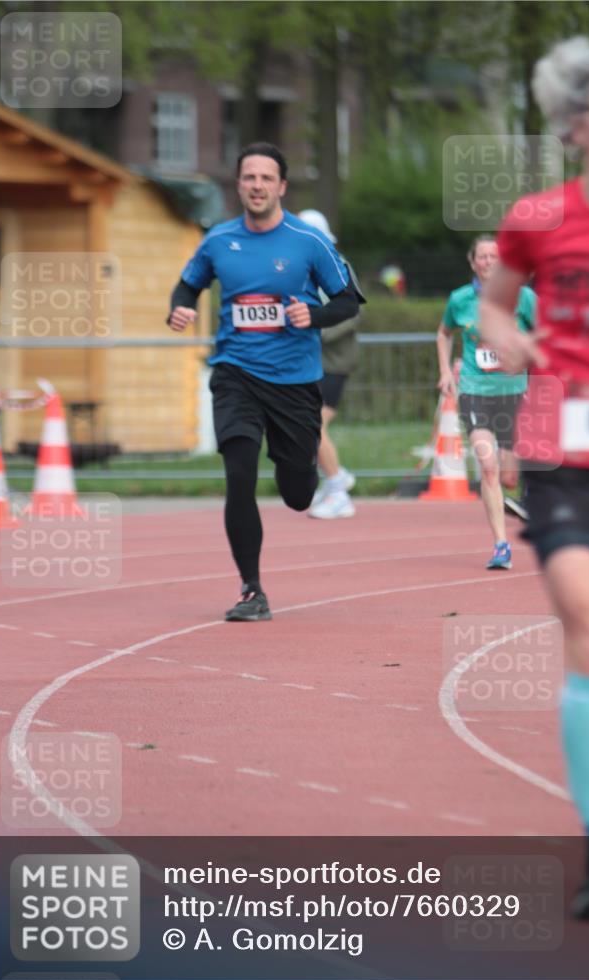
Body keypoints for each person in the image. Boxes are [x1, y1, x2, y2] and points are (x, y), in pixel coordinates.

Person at [480, 37, 589, 919]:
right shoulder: (537, 217)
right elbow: (495, 303)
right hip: (566, 459)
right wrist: (505, 338)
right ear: (576, 125)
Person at [167, 142, 360, 621]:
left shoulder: (308, 240)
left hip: (294, 381)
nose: (257, 186)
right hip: (235, 373)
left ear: (282, 187)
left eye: (266, 178)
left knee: (298, 494)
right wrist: (181, 306)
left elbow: (347, 300)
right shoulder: (218, 240)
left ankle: (297, 466)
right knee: (239, 476)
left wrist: (313, 315)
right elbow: (189, 284)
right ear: (238, 185)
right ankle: (251, 590)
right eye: (249, 178)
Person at [436, 237, 536, 568]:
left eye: (495, 256)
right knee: (487, 465)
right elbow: (444, 333)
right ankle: (501, 545)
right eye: (482, 256)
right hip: (475, 391)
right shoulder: (460, 299)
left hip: (513, 392)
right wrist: (445, 372)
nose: (489, 261)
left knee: (509, 475)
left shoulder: (523, 297)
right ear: (472, 262)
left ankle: (525, 500)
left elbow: (545, 334)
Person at [298, 209, 361, 519]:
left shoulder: (339, 266)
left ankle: (338, 489)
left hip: (334, 363)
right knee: (303, 426)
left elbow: (351, 313)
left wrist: (314, 328)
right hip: (308, 362)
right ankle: (337, 476)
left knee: (313, 426)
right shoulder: (296, 268)